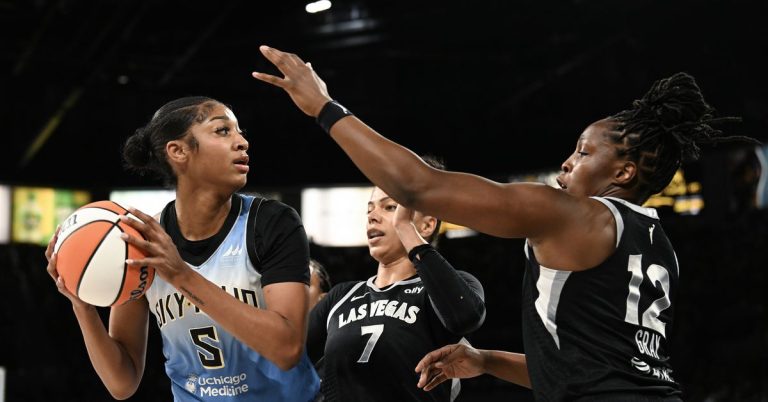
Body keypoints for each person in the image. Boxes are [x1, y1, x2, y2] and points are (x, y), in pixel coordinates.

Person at [251, 46, 760, 400]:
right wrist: (488, 361)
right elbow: (597, 373)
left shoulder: (573, 214)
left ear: (623, 172)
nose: (566, 163)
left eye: (583, 152)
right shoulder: (658, 245)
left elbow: (420, 186)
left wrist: (323, 106)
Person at [45, 96, 320, 401]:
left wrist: (181, 275)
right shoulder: (141, 241)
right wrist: (82, 304)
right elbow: (122, 382)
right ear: (178, 151)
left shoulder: (272, 222)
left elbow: (287, 349)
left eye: (240, 132)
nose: (242, 142)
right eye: (223, 131)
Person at [305, 155, 486, 402]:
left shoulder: (451, 287)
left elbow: (465, 316)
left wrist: (405, 228)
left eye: (389, 207)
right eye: (370, 209)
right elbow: (283, 354)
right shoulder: (342, 295)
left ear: (427, 225)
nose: (372, 216)